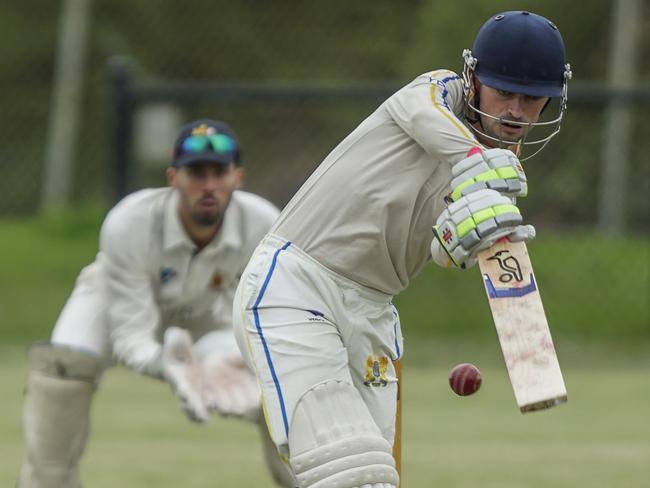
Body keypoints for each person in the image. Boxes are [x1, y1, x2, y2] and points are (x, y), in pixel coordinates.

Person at [233, 11, 572, 488]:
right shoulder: (437, 92)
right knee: (352, 474)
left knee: (379, 480)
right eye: (504, 92)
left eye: (532, 98)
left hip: (374, 312)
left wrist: (458, 242)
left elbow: (438, 250)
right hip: (297, 285)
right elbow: (420, 117)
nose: (515, 111)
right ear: (474, 78)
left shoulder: (502, 168)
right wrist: (476, 162)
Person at [17, 119, 295, 487]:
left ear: (237, 177)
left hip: (211, 313)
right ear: (173, 178)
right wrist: (165, 364)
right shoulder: (129, 221)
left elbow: (260, 318)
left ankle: (306, 480)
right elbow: (130, 333)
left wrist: (225, 358)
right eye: (196, 173)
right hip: (116, 300)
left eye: (219, 172)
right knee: (63, 369)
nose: (208, 185)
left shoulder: (264, 225)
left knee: (276, 374)